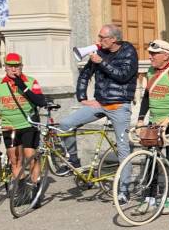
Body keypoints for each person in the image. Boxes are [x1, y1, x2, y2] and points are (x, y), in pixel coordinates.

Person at [59, 24, 138, 202]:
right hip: (100, 104)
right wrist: (82, 97)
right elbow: (85, 76)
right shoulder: (99, 52)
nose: (98, 41)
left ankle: (124, 190)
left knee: (123, 149)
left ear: (114, 39)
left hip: (119, 106)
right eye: (99, 37)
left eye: (102, 37)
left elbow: (124, 75)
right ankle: (74, 161)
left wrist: (101, 62)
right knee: (65, 124)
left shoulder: (129, 51)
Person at [0, 52, 47, 190]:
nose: (13, 69)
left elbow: (40, 101)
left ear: (21, 67)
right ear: (5, 67)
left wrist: (22, 86)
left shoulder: (31, 81)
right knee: (15, 160)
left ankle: (36, 187)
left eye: (16, 66)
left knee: (31, 156)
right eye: (10, 66)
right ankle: (21, 189)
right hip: (9, 126)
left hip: (28, 124)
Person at [133, 39, 169, 215]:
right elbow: (147, 98)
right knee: (150, 160)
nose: (150, 57)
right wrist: (141, 119)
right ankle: (149, 198)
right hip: (154, 123)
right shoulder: (150, 71)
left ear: (165, 56)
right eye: (150, 53)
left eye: (154, 54)